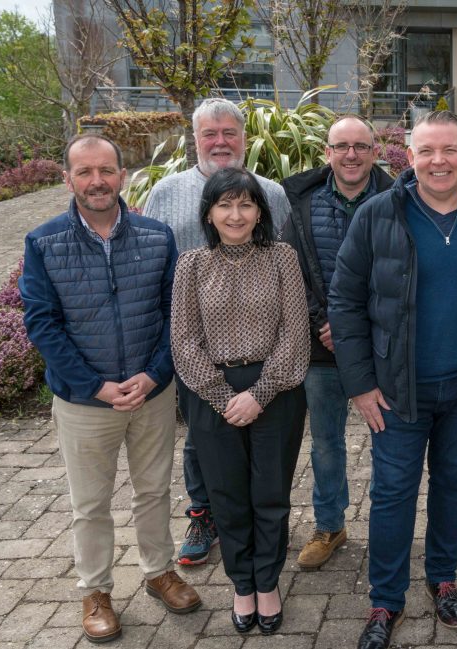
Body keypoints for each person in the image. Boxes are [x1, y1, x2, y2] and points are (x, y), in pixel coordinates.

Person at [329, 111, 457, 649]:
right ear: (409, 157)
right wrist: (359, 384)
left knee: (453, 483)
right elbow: (346, 303)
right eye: (427, 151)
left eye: (449, 150)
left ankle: (443, 577)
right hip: (397, 391)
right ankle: (385, 600)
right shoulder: (379, 214)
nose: (438, 161)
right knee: (393, 493)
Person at [20, 134, 201, 644]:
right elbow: (42, 324)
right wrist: (94, 386)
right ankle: (95, 590)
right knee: (90, 503)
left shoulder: (156, 235)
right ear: (68, 178)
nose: (96, 181)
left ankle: (159, 572)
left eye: (106, 170)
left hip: (151, 393)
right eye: (84, 172)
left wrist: (155, 373)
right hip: (84, 401)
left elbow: (176, 315)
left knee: (152, 490)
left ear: (123, 174)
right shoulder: (43, 241)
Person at [145, 97, 292, 566]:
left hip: (260, 346)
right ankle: (205, 513)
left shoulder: (272, 191)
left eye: (229, 133)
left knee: (263, 458)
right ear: (196, 139)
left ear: (244, 139)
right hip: (195, 347)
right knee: (200, 441)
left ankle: (257, 536)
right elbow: (153, 264)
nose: (220, 142)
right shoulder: (166, 192)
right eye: (211, 134)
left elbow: (281, 266)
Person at [170, 167, 309, 634]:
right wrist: (222, 395)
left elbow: (295, 333)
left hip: (276, 391)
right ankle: (241, 584)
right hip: (212, 397)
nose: (235, 214)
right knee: (227, 497)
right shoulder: (191, 265)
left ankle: (267, 582)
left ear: (259, 211)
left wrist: (259, 393)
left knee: (270, 494)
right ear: (208, 213)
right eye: (224, 205)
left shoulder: (282, 258)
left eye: (245, 204)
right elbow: (184, 341)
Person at [281, 114, 394, 569]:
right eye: (342, 146)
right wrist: (321, 323)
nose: (351, 154)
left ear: (374, 152)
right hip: (319, 348)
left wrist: (356, 329)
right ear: (326, 153)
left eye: (361, 146)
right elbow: (291, 271)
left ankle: (389, 530)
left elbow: (403, 275)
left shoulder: (397, 199)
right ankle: (330, 525)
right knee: (326, 443)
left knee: (391, 442)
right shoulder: (301, 202)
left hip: (381, 349)